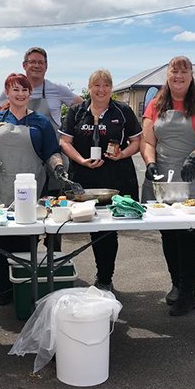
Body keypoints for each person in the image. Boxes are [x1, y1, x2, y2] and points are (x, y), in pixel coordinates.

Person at [140, 56, 195, 317]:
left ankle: (189, 292)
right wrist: (150, 163)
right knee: (168, 234)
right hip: (163, 180)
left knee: (189, 235)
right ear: (167, 75)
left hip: (194, 178)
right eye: (174, 71)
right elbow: (147, 142)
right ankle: (176, 284)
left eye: (183, 71)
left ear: (191, 75)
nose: (178, 76)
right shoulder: (156, 104)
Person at [0, 73, 66, 306]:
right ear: (7, 92)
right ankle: (2, 292)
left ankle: (25, 289)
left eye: (25, 90)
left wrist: (58, 168)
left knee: (27, 244)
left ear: (29, 93)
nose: (21, 94)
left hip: (30, 191)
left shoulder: (41, 123)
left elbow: (51, 153)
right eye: (15, 89)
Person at [59, 69, 142, 291]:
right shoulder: (77, 112)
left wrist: (122, 154)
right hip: (84, 176)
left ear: (111, 88)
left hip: (116, 177)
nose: (101, 89)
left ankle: (105, 278)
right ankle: (59, 274)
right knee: (85, 224)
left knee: (107, 229)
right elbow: (65, 142)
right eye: (97, 85)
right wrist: (81, 160)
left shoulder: (122, 111)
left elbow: (137, 142)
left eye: (106, 85)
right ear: (89, 87)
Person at [0, 47, 83, 196]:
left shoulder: (57, 89)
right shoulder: (14, 88)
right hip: (23, 157)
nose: (37, 66)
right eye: (32, 62)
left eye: (41, 62)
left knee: (53, 198)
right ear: (24, 65)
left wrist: (68, 131)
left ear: (46, 66)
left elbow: (82, 107)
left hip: (53, 155)